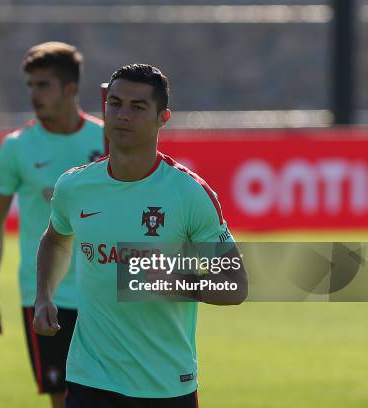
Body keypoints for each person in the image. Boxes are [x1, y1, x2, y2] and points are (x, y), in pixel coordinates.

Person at [33, 64, 248, 407]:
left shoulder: (188, 193)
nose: (123, 115)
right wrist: (44, 295)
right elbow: (56, 238)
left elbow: (235, 285)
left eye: (137, 107)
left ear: (163, 117)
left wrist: (166, 279)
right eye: (115, 104)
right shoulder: (74, 185)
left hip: (164, 385)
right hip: (90, 378)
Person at [0, 41, 103, 408]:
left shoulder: (106, 139)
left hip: (104, 293)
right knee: (63, 400)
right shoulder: (16, 147)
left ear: (70, 89)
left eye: (43, 85)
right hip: (47, 297)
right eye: (30, 85)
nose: (34, 94)